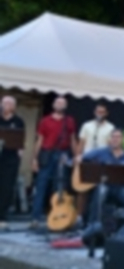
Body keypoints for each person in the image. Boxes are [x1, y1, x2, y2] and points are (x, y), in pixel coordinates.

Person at [31, 96, 77, 228]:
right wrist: (34, 158)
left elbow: (73, 139)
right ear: (53, 105)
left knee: (60, 187)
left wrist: (76, 156)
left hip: (63, 153)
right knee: (41, 184)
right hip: (47, 153)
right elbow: (39, 140)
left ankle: (57, 217)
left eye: (62, 103)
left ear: (65, 106)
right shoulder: (45, 121)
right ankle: (36, 217)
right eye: (58, 102)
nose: (60, 105)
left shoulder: (69, 121)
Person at [77, 130, 124, 224]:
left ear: (123, 139)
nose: (115, 139)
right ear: (110, 139)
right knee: (100, 192)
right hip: (104, 185)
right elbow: (81, 158)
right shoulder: (101, 152)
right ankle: (93, 224)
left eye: (118, 137)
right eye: (113, 137)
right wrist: (79, 160)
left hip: (120, 187)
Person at [0, 96, 24, 231]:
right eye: (4, 103)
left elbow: (21, 139)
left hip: (10, 158)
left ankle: (2, 216)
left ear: (14, 106)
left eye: (10, 103)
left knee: (6, 187)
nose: (7, 105)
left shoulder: (18, 121)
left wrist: (20, 152)